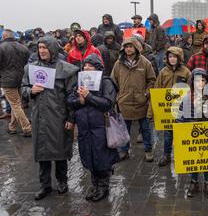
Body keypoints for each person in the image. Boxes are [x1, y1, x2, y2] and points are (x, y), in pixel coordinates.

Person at [22, 37, 79, 200]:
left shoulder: (66, 70)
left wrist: (71, 117)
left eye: (45, 47)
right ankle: (45, 185)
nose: (42, 50)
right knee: (42, 152)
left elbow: (72, 96)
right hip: (40, 117)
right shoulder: (31, 69)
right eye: (39, 47)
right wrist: (30, 91)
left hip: (59, 116)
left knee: (60, 150)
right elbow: (23, 88)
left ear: (53, 49)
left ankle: (62, 181)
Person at [67, 54, 119, 202]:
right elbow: (70, 100)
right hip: (84, 127)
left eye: (90, 65)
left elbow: (108, 103)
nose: (87, 68)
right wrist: (81, 100)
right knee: (88, 155)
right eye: (85, 66)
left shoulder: (106, 82)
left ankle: (103, 186)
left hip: (101, 127)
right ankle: (95, 184)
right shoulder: (79, 82)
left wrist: (89, 96)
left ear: (98, 67)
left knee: (101, 156)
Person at [111, 37, 156, 162]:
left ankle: (148, 150)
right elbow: (113, 81)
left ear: (136, 47)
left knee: (145, 129)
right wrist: (117, 96)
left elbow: (152, 80)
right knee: (125, 129)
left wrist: (146, 94)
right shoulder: (118, 64)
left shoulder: (145, 62)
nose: (128, 49)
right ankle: (124, 151)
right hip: (124, 102)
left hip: (141, 101)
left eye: (130, 46)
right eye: (126, 47)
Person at [177, 68, 208, 198]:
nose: (200, 83)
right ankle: (193, 181)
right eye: (197, 80)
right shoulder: (187, 98)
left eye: (203, 80)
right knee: (193, 159)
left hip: (207, 132)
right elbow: (180, 115)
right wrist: (180, 130)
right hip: (191, 131)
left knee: (207, 159)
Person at [155, 47, 192, 167]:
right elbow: (157, 90)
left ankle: (183, 154)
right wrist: (153, 111)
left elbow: (191, 90)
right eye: (170, 56)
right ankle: (166, 154)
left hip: (182, 109)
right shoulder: (163, 72)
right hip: (167, 110)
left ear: (179, 58)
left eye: (175, 57)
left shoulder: (186, 72)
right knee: (167, 134)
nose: (172, 59)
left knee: (182, 133)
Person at [0, 29, 32, 136]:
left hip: (7, 80)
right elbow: (27, 63)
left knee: (15, 104)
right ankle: (12, 127)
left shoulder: (1, 47)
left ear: (4, 37)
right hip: (21, 78)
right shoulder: (23, 47)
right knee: (17, 104)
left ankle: (27, 128)